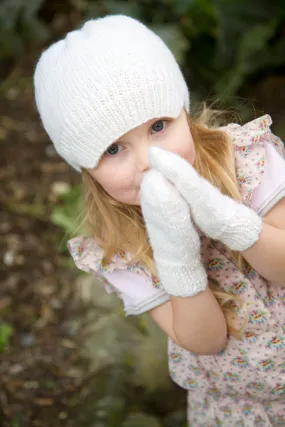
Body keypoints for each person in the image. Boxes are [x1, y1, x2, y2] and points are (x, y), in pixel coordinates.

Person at [34, 14, 285, 426]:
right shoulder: (119, 250)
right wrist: (176, 255)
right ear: (86, 167)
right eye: (114, 149)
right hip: (240, 408)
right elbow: (206, 341)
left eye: (158, 126)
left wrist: (226, 221)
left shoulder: (248, 162)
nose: (148, 162)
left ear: (182, 110)